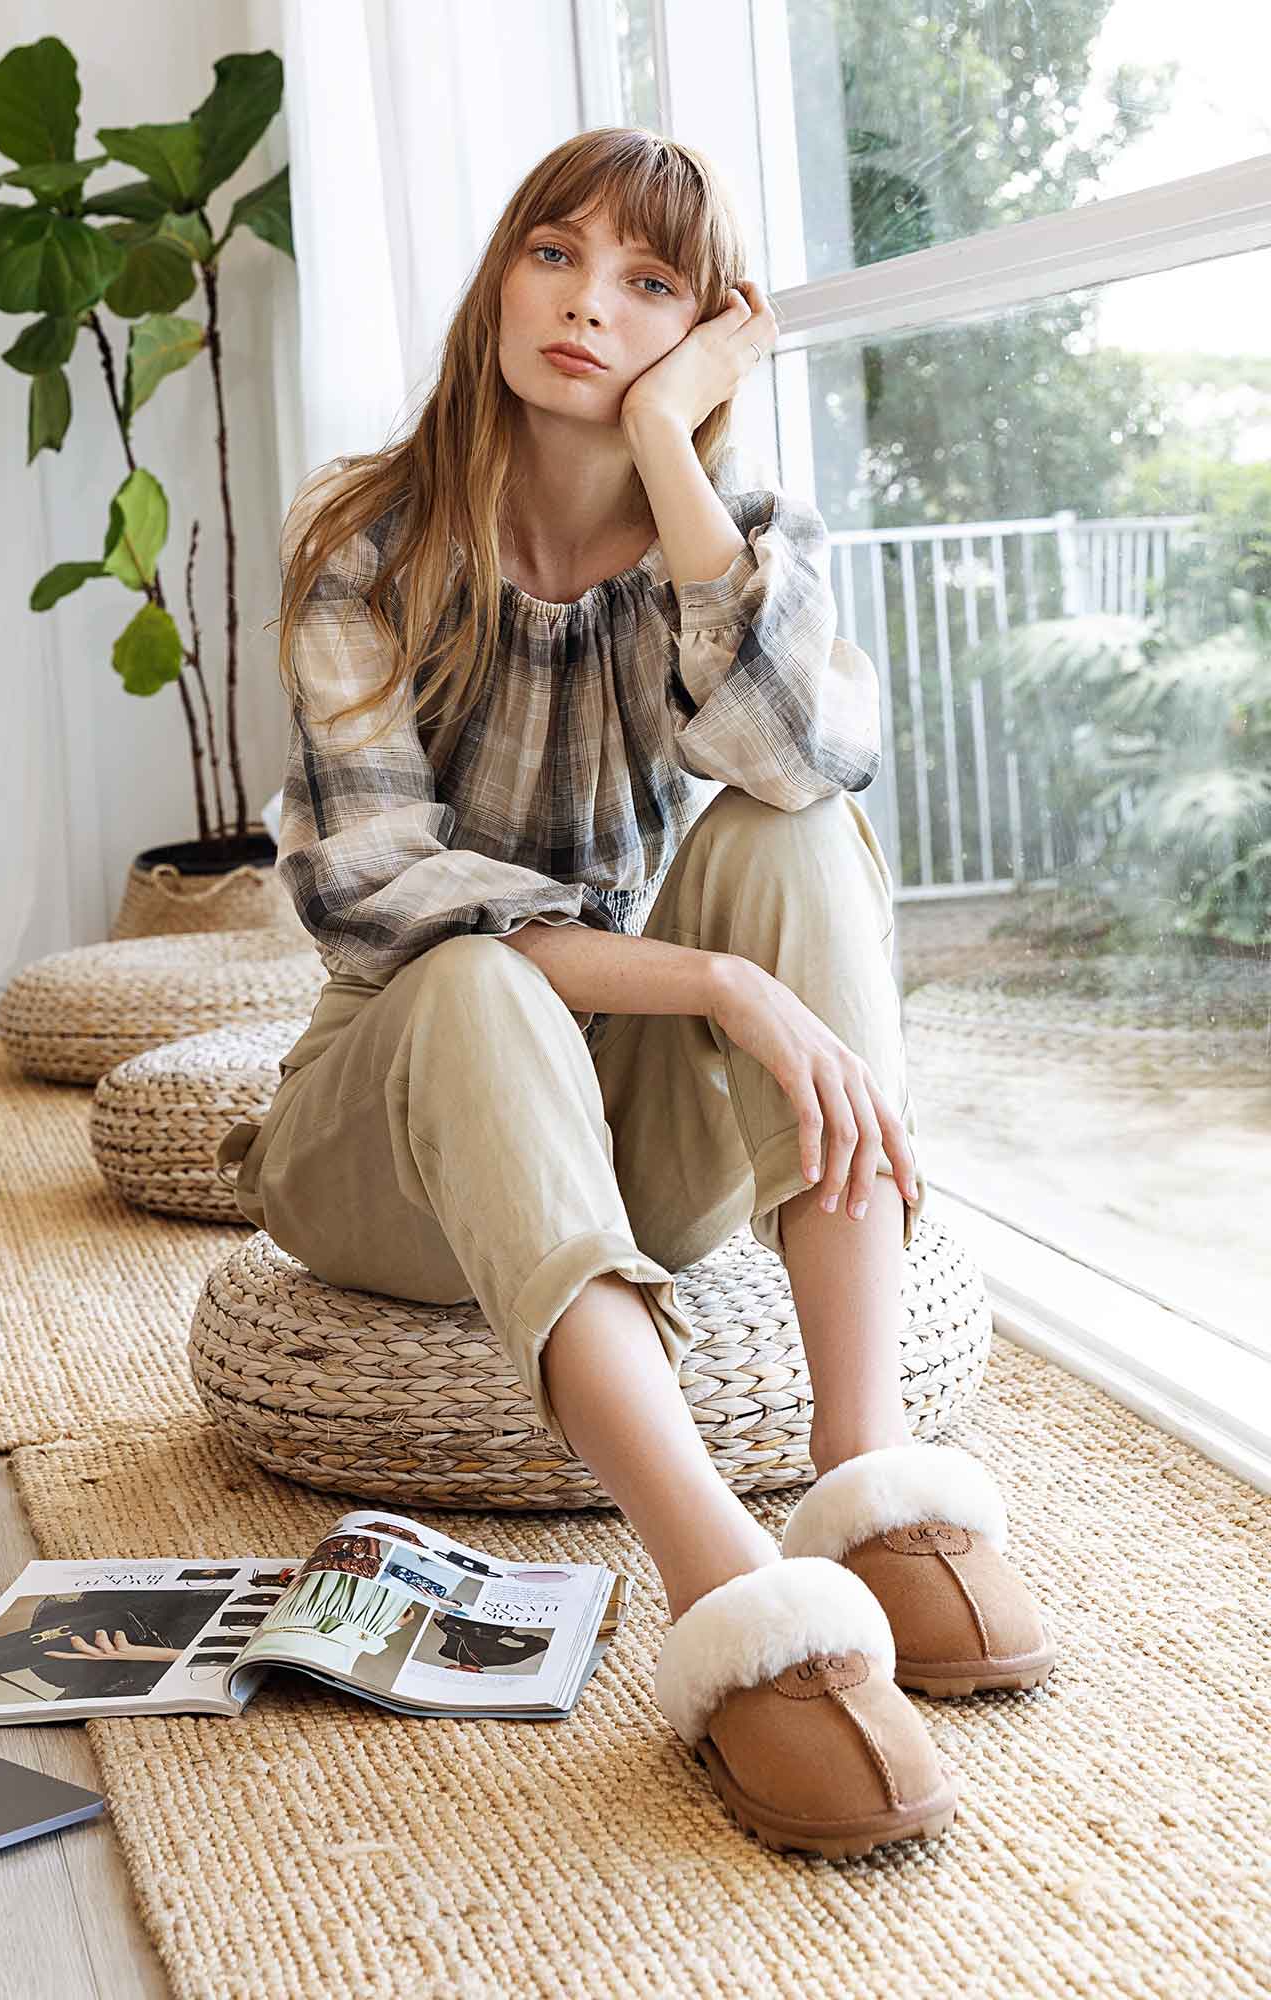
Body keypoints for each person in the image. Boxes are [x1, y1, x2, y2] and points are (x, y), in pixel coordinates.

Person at [217, 127, 1057, 1861]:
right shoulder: (366, 537)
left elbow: (800, 756)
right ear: (500, 277)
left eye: (649, 281)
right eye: (555, 252)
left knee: (789, 828)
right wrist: (715, 986)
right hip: (383, 1136)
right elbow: (379, 893)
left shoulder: (732, 537)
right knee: (470, 976)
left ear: (705, 330)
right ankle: (728, 1589)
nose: (587, 303)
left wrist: (672, 443)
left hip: (621, 1143)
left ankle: (865, 1477)